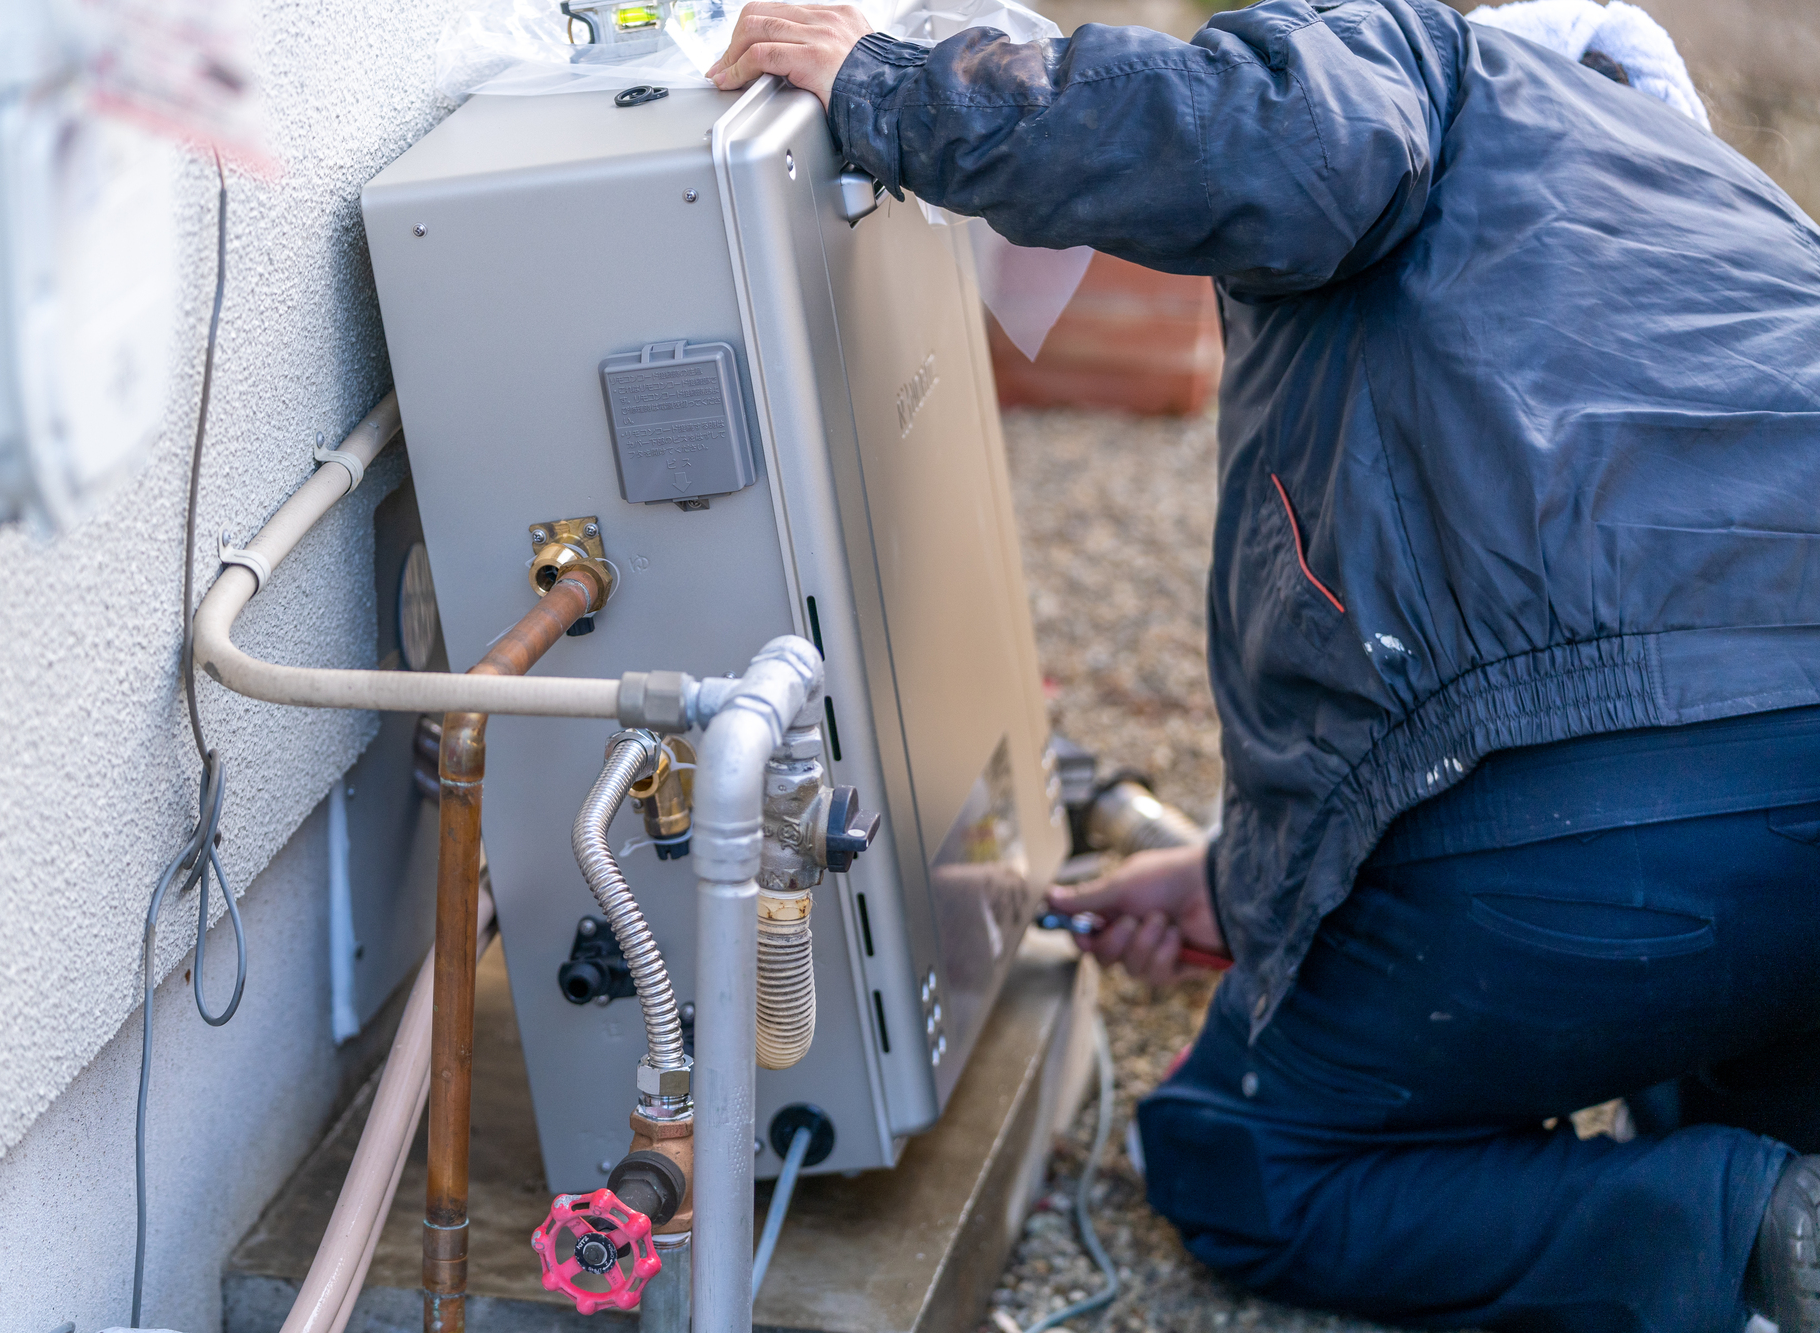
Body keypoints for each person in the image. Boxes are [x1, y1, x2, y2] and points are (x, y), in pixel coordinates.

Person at [710, 0, 1820, 1328]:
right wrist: (1241, 889)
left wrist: (895, 88)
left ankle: (1748, 1234)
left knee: (1243, 1149)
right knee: (1716, 1043)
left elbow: (1272, 138)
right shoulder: (1761, 229)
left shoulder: (1449, 69)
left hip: (1580, 810)